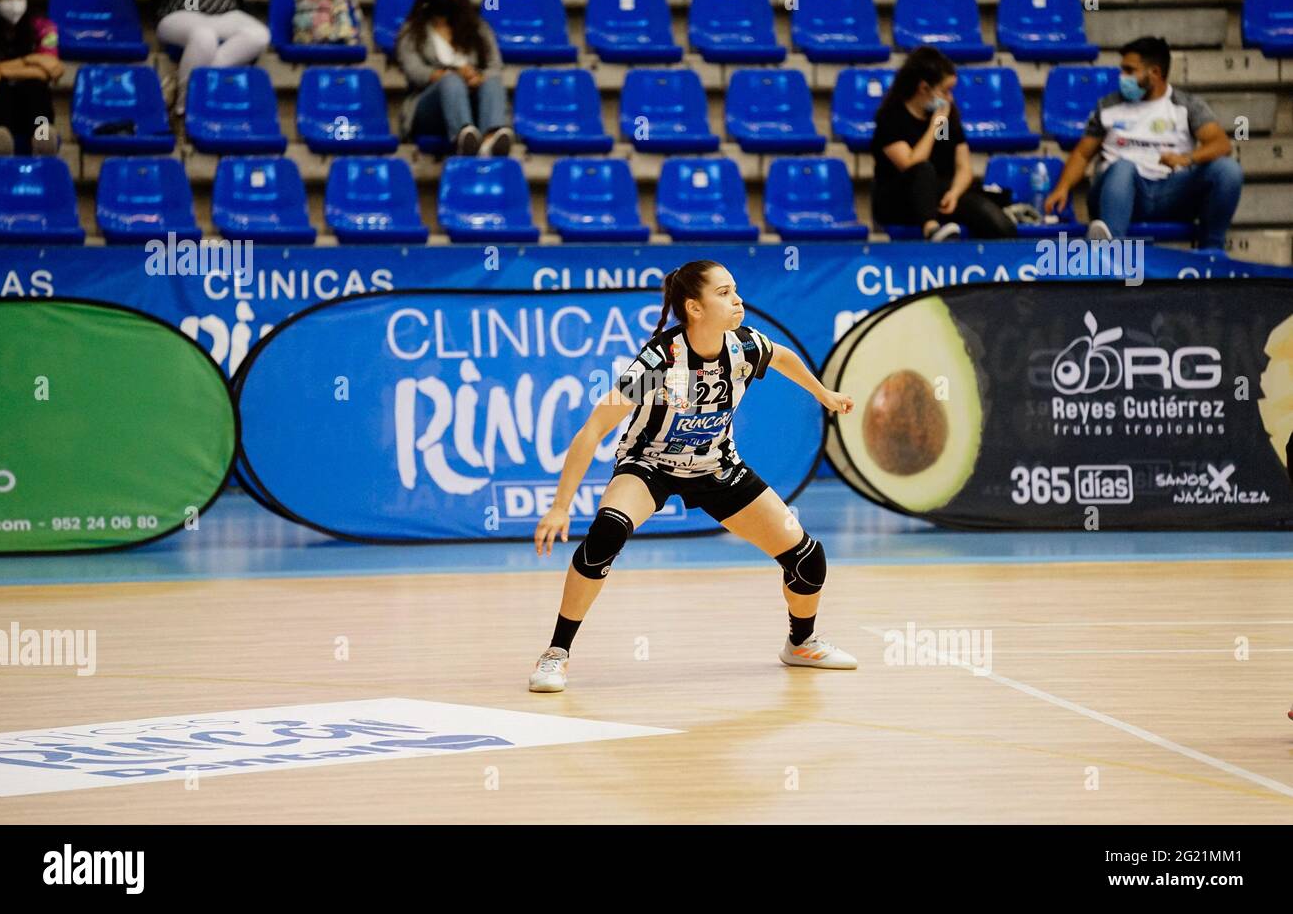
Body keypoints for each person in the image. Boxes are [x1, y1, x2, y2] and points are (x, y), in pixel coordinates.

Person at [528, 260, 858, 693]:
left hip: (716, 466)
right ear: (694, 308)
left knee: (807, 559)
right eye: (723, 293)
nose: (737, 299)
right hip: (650, 466)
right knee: (605, 536)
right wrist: (559, 506)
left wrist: (823, 393)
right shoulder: (658, 361)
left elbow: (782, 356)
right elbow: (593, 429)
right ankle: (557, 653)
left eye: (735, 289)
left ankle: (801, 643)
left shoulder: (745, 346)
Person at [1043, 36, 1243, 250]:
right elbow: (1083, 154)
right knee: (1123, 166)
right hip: (1119, 194)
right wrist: (1062, 188)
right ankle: (1111, 251)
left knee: (1228, 170)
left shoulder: (1187, 106)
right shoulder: (1109, 106)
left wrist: (1187, 159)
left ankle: (1212, 252)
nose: (1122, 77)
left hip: (1171, 193)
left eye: (1129, 71)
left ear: (1155, 73)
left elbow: (1221, 145)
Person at [870, 46, 1018, 241]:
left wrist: (954, 194)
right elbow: (911, 165)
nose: (950, 98)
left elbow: (962, 167)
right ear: (923, 88)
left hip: (941, 196)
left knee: (993, 219)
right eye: (946, 91)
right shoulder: (891, 118)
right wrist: (935, 125)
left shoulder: (947, 119)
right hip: (900, 201)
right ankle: (931, 229)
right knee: (923, 170)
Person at [397, 0, 511, 157]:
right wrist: (453, 75)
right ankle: (464, 140)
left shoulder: (478, 28)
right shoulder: (411, 31)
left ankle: (489, 139)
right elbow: (414, 71)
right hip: (430, 108)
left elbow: (494, 65)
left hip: (474, 99)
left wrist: (477, 78)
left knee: (492, 81)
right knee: (451, 81)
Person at [128, 0, 270, 116]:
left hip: (225, 11)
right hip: (179, 12)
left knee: (259, 35)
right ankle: (184, 109)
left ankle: (191, 86)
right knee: (204, 36)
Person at [0, 0, 61, 155]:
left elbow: (50, 70)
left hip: (30, 110)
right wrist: (33, 60)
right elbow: (43, 65)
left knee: (36, 87)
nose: (14, 2)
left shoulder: (43, 27)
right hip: (0, 112)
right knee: (1, 90)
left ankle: (41, 138)